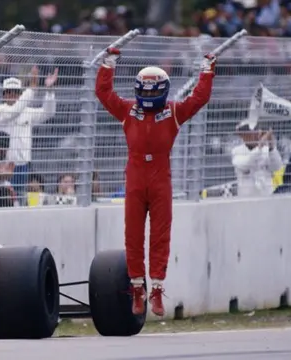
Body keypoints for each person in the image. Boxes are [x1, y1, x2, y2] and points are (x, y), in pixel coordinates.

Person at [95, 47, 216, 317]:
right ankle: (137, 288)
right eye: (145, 90)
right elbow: (104, 94)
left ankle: (157, 289)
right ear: (138, 89)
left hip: (161, 177)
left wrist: (207, 71)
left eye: (154, 91)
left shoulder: (174, 111)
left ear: (163, 90)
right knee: (133, 235)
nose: (149, 95)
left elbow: (199, 98)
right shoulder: (128, 110)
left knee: (161, 236)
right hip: (135, 177)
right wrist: (108, 64)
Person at [0, 66, 58, 197]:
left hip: (23, 167)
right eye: (9, 92)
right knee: (3, 201)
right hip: (3, 167)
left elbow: (48, 113)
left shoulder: (26, 112)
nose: (12, 95)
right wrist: (32, 89)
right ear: (4, 95)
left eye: (16, 92)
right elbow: (13, 112)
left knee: (19, 202)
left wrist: (49, 91)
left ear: (20, 94)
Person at [231, 123, 283, 197]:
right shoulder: (237, 151)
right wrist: (259, 146)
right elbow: (245, 164)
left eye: (255, 131)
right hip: (246, 199)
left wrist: (271, 147)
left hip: (266, 196)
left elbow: (277, 167)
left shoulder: (266, 150)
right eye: (245, 134)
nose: (252, 135)